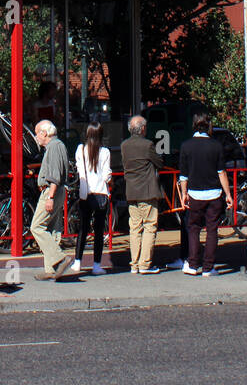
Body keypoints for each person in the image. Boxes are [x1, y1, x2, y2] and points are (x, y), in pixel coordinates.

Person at [178, 112, 233, 277]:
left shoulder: (186, 146)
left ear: (194, 125)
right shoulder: (215, 145)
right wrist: (228, 194)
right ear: (208, 126)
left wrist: (183, 194)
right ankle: (208, 267)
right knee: (212, 230)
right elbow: (221, 172)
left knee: (193, 229)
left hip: (194, 193)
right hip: (214, 193)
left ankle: (193, 264)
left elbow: (183, 175)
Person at [120, 114, 164, 275]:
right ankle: (145, 264)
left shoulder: (124, 145)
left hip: (131, 191)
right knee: (150, 226)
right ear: (143, 128)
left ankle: (134, 264)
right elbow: (159, 162)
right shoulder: (148, 145)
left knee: (135, 228)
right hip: (147, 191)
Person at [30, 119, 72, 279]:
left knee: (37, 227)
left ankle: (59, 259)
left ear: (44, 133)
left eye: (37, 133)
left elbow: (54, 175)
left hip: (51, 191)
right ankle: (51, 270)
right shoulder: (57, 145)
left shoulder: (54, 147)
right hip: (57, 191)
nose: (36, 137)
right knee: (52, 228)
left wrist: (50, 197)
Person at [72, 121, 112, 276]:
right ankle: (96, 264)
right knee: (99, 230)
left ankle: (77, 261)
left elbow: (80, 170)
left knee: (83, 228)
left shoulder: (80, 149)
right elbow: (106, 175)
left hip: (85, 194)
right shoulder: (105, 152)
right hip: (101, 193)